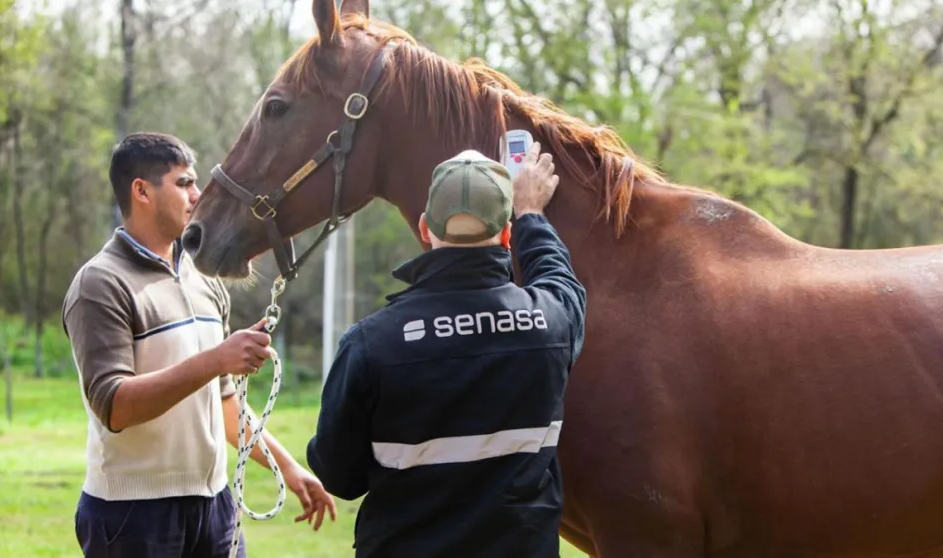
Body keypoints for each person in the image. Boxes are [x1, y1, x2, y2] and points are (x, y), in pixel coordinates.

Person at [62, 132, 337, 558]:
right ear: (142, 191)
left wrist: (288, 467)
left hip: (215, 508)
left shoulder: (204, 280)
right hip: (132, 516)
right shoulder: (100, 284)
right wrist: (215, 360)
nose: (198, 195)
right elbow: (114, 406)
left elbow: (223, 403)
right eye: (184, 183)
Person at [306, 143, 587, 557]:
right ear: (506, 235)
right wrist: (531, 214)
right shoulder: (552, 321)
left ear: (425, 228)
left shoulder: (370, 342)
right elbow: (559, 278)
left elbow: (339, 477)